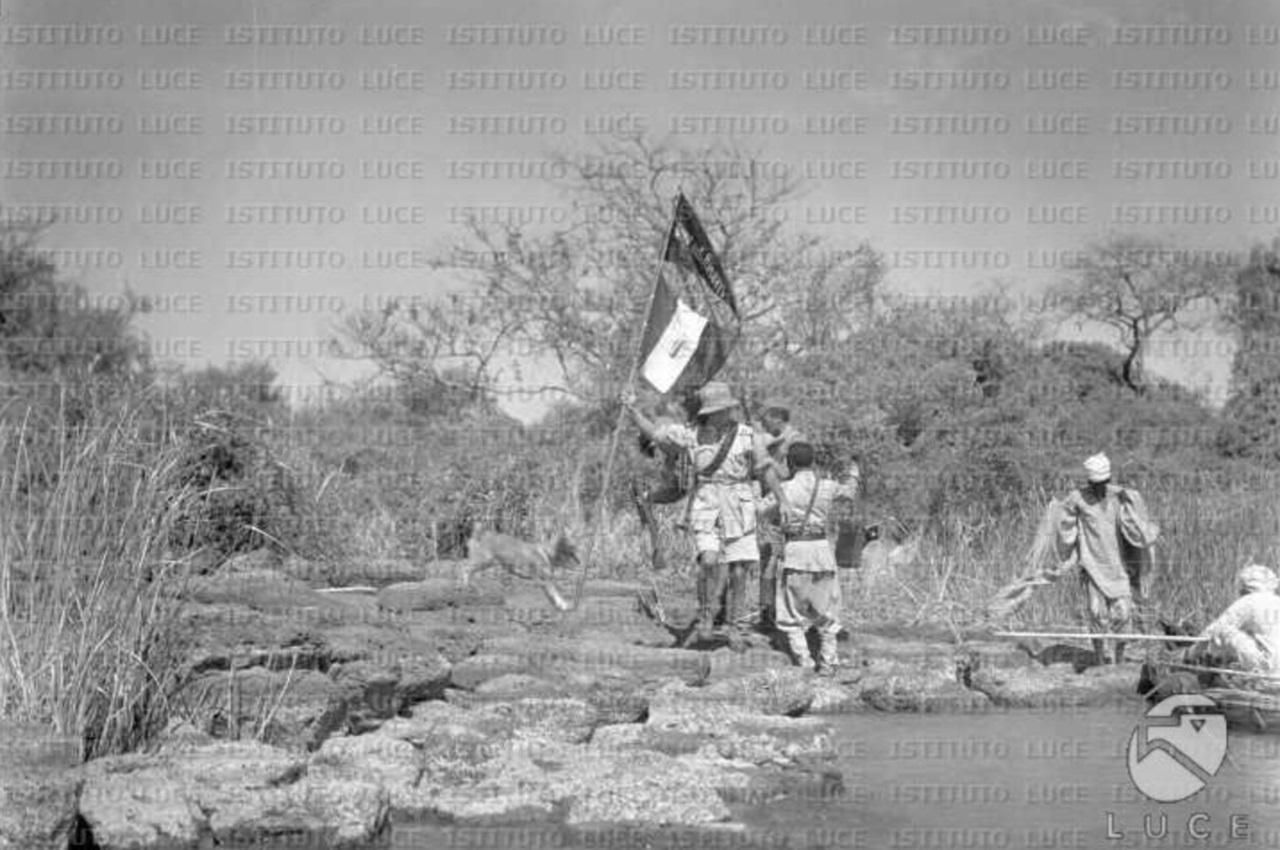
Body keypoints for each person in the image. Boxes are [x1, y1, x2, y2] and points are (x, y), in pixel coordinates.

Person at [623, 382, 790, 650]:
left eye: (728, 409)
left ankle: (734, 627)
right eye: (720, 410)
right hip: (707, 502)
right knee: (709, 560)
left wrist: (782, 500)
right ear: (708, 413)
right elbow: (655, 433)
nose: (726, 414)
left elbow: (765, 469)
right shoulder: (690, 435)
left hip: (740, 503)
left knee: (739, 570)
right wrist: (632, 410)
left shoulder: (748, 436)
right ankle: (705, 617)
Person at [757, 441, 855, 674]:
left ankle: (805, 662)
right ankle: (829, 662)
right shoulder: (827, 487)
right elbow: (850, 491)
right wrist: (854, 468)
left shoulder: (785, 490)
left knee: (791, 611)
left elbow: (760, 511)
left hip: (796, 552)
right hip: (822, 551)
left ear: (790, 463)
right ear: (813, 462)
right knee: (827, 610)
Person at [1055, 452, 1160, 666]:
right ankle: (1100, 659)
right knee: (1096, 612)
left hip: (1117, 566)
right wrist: (1068, 549)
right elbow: (1063, 522)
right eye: (1095, 483)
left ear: (1108, 480)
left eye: (1103, 483)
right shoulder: (1078, 498)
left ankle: (1119, 661)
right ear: (1089, 481)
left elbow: (1136, 518)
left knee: (1122, 613)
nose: (1099, 487)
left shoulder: (1119, 497)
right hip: (1092, 566)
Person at [755, 406, 807, 632]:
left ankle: (785, 612)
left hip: (785, 504)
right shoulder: (779, 439)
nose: (764, 426)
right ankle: (768, 611)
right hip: (773, 505)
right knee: (768, 558)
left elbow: (790, 473)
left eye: (767, 421)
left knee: (777, 559)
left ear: (778, 419)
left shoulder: (796, 441)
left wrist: (769, 463)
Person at [1187, 564, 1280, 675]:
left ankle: (1193, 657)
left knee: (1223, 631)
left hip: (1266, 669)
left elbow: (1215, 628)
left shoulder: (1249, 601)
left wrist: (1194, 649)